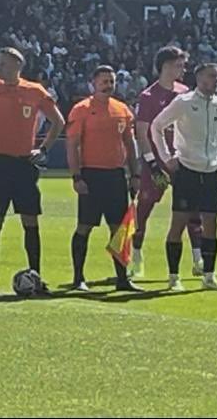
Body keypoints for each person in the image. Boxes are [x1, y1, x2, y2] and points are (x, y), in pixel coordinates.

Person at [0, 47, 65, 296]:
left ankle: (36, 277)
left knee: (30, 222)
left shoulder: (34, 91)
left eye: (3, 64)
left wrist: (42, 149)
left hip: (25, 164)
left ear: (17, 66)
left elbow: (58, 121)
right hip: (0, 163)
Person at [150, 63, 217, 291]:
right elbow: (156, 126)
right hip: (187, 170)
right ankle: (174, 277)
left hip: (211, 171)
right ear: (199, 78)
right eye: (211, 76)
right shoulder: (184, 102)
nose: (216, 80)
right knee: (179, 222)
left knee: (211, 223)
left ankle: (209, 276)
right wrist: (166, 157)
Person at [65, 66, 145, 293]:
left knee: (119, 229)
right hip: (91, 175)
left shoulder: (122, 110)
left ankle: (122, 278)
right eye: (104, 81)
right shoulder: (81, 110)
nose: (108, 85)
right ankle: (78, 277)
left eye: (111, 81)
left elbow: (130, 144)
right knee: (84, 226)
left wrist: (135, 174)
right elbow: (72, 145)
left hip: (116, 176)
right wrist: (76, 176)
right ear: (93, 83)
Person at [133, 46, 204, 278]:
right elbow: (142, 133)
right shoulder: (148, 97)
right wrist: (152, 164)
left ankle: (198, 259)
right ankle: (136, 256)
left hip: (183, 161)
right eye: (178, 64)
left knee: (194, 211)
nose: (182, 69)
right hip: (158, 162)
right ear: (165, 66)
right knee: (143, 210)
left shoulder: (185, 93)